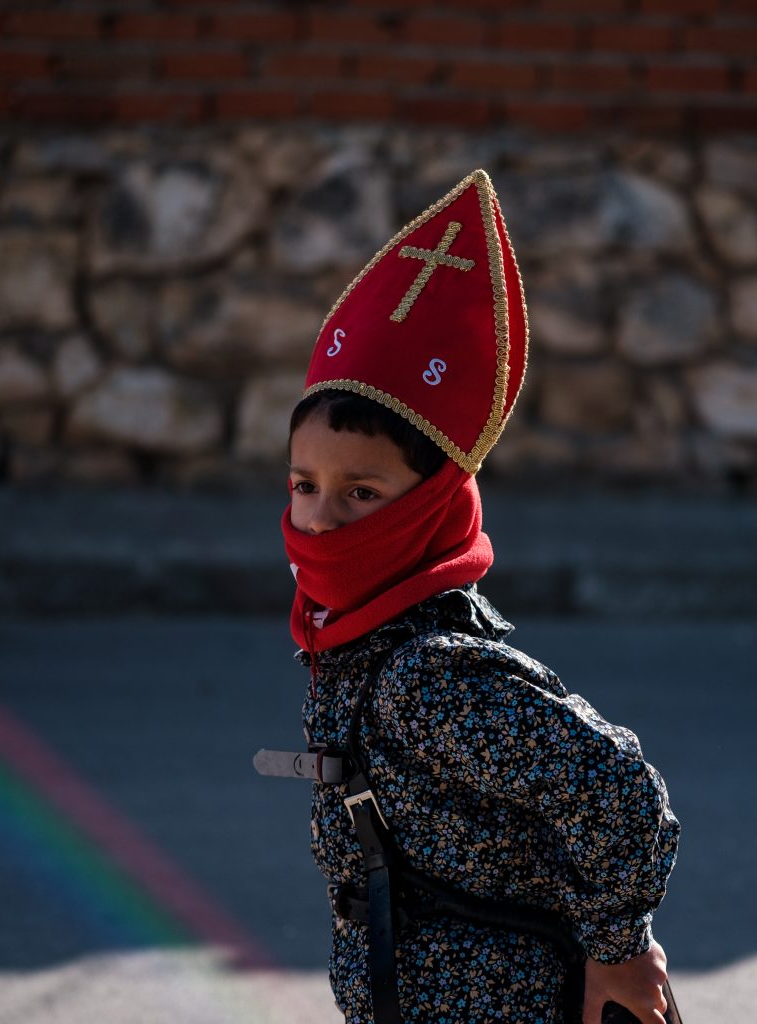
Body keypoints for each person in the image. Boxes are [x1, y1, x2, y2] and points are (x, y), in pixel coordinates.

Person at [255, 170, 680, 1024]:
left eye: (362, 492)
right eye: (305, 485)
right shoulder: (360, 641)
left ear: (432, 505)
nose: (322, 518)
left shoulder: (430, 677)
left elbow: (618, 790)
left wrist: (619, 948)